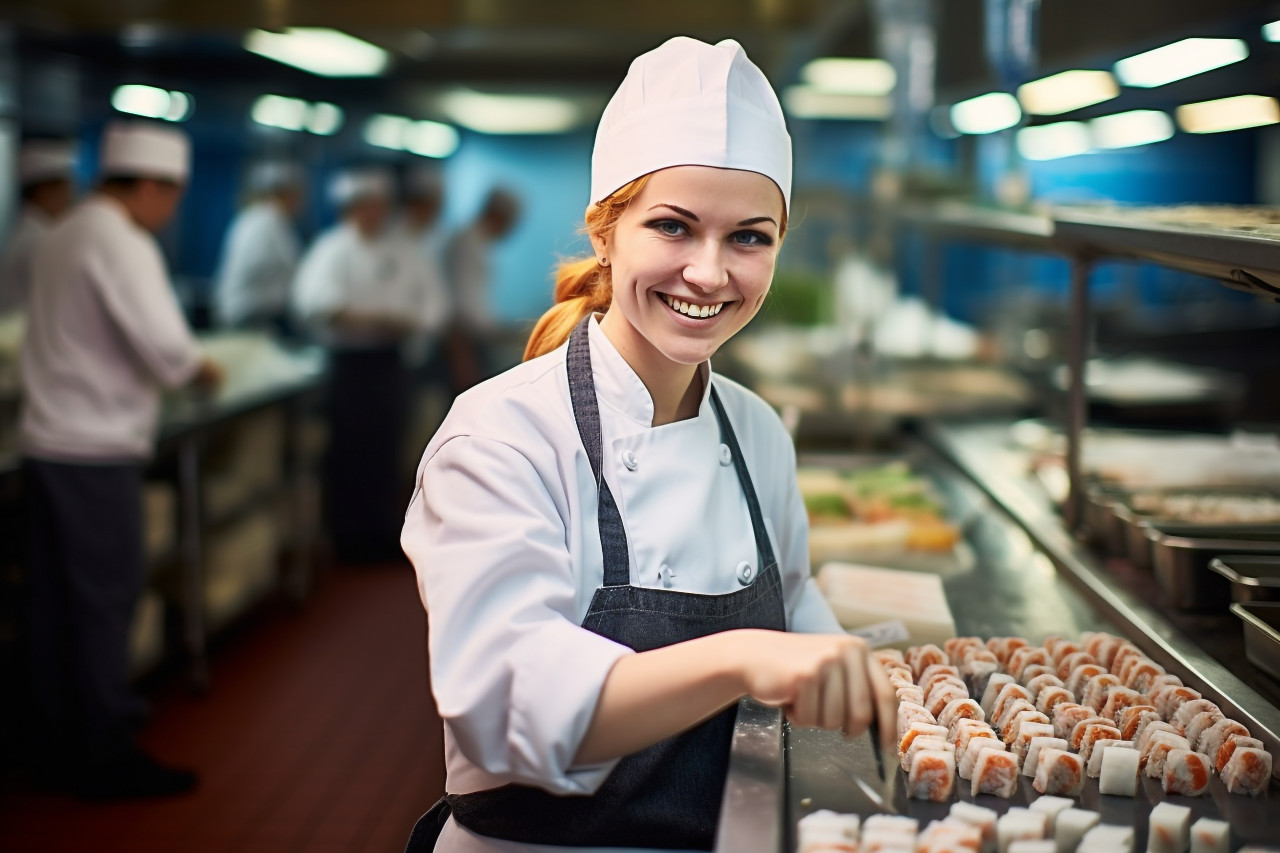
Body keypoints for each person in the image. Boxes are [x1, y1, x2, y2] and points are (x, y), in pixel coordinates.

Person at [400, 37, 896, 853]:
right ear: (604, 232)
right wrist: (739, 658)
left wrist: (850, 666)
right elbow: (505, 711)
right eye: (674, 225)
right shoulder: (503, 436)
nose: (708, 273)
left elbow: (798, 606)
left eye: (749, 237)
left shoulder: (758, 434)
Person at [19, 120, 223, 799]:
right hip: (96, 451)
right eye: (172, 195)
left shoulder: (64, 231)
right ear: (148, 185)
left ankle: (48, 744)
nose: (171, 213)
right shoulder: (120, 240)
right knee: (106, 603)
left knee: (51, 604)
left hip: (45, 445)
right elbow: (167, 349)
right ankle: (105, 754)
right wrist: (203, 368)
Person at [293, 166, 442, 564]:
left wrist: (401, 323)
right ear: (351, 209)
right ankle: (344, 538)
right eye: (365, 207)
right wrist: (375, 320)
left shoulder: (404, 251)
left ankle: (380, 534)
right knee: (347, 450)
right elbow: (315, 305)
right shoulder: (331, 250)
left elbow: (432, 307)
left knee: (387, 449)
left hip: (390, 364)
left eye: (379, 206)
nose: (372, 214)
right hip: (349, 365)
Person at [213, 160, 305, 333]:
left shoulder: (253, 217)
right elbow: (289, 268)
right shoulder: (268, 220)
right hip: (250, 314)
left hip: (240, 311)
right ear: (285, 194)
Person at [441, 185, 520, 389]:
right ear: (499, 216)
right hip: (462, 341)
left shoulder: (479, 243)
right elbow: (461, 304)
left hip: (474, 337)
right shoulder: (467, 242)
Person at [0, 139, 77, 314]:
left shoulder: (32, 229)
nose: (70, 197)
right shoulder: (38, 238)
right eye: (64, 189)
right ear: (44, 190)